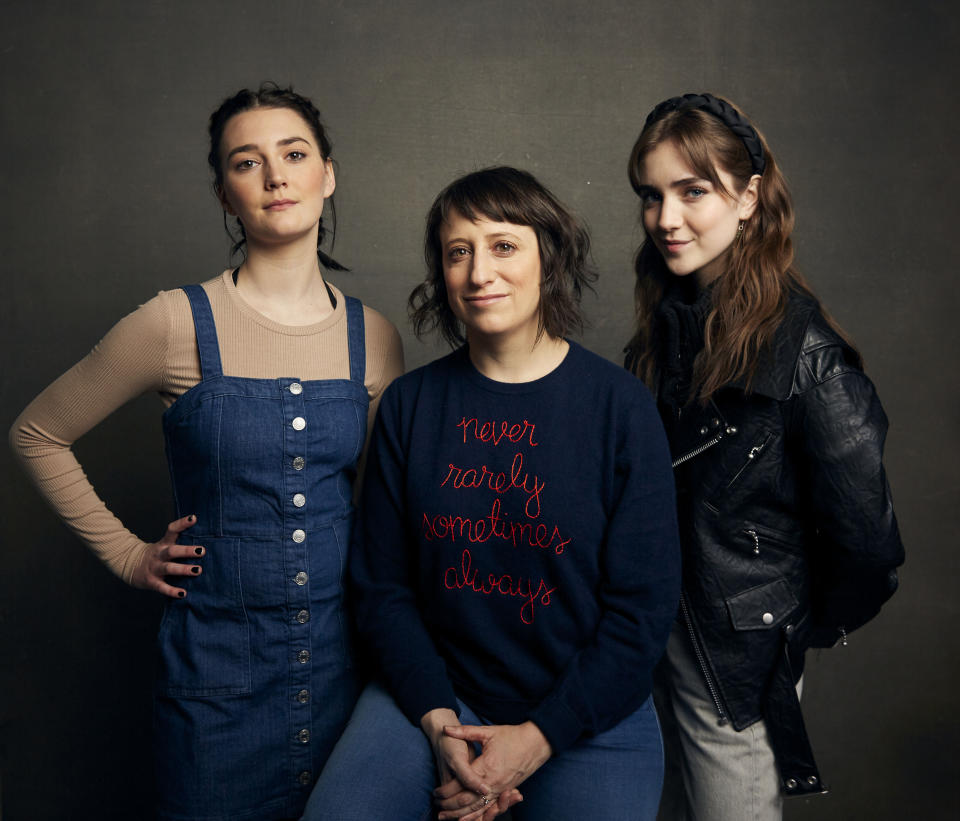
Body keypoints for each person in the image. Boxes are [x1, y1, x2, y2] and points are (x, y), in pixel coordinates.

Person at [9, 83, 404, 821]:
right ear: (226, 194)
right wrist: (129, 554)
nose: (276, 176)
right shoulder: (172, 323)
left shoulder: (373, 337)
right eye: (246, 162)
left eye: (293, 154)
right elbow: (37, 432)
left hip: (347, 676)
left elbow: (383, 511)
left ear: (329, 172)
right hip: (216, 688)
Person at [302, 166, 681, 821]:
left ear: (549, 259)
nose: (480, 273)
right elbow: (382, 589)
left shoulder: (620, 408)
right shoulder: (410, 406)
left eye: (504, 245)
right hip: (438, 693)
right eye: (458, 252)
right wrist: (440, 724)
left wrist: (534, 741)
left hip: (585, 707)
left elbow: (641, 614)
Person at [624, 92, 905, 820]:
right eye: (652, 196)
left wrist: (777, 630)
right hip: (651, 654)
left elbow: (869, 547)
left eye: (693, 192)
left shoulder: (807, 354)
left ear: (749, 198)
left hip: (735, 677)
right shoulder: (667, 331)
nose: (667, 218)